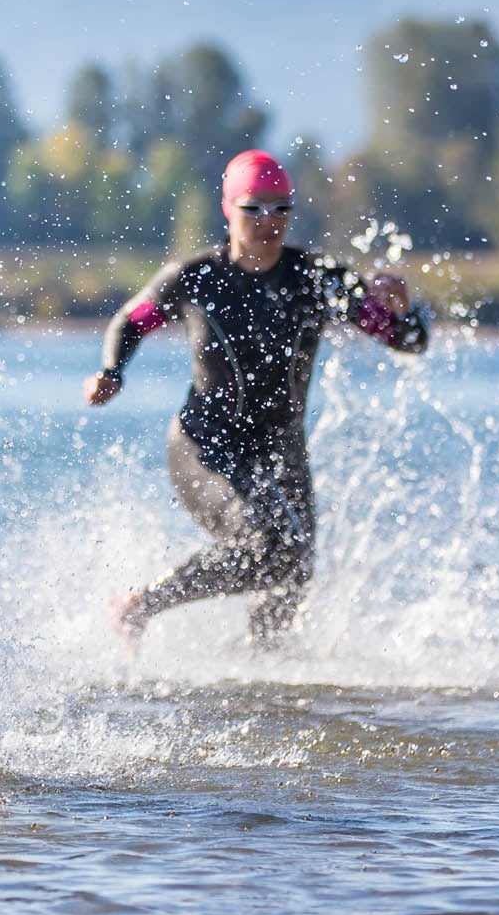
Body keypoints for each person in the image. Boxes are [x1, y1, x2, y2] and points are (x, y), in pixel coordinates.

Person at [86, 148, 428, 651]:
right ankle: (138, 607)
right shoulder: (197, 276)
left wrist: (403, 308)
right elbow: (131, 320)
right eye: (253, 208)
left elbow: (408, 340)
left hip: (282, 451)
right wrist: (111, 371)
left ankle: (258, 688)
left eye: (281, 208)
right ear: (228, 209)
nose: (269, 221)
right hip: (206, 447)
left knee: (292, 573)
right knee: (269, 545)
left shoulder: (317, 279)